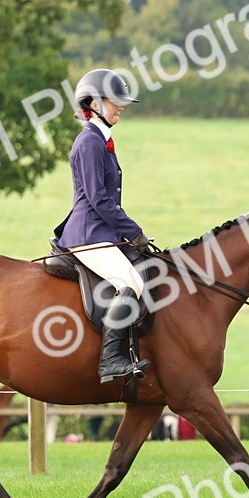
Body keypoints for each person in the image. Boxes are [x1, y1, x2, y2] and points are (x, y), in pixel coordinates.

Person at [53, 69, 154, 385]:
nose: (121, 106)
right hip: (88, 235)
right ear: (93, 103)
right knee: (131, 284)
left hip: (101, 233)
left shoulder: (102, 140)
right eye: (115, 101)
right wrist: (133, 231)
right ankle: (110, 361)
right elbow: (98, 198)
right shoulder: (89, 143)